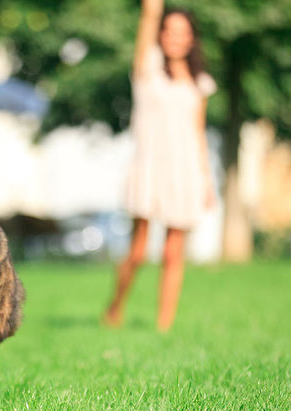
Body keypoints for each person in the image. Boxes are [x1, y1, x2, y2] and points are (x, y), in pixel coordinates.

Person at [104, 0, 217, 332]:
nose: (175, 38)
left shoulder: (201, 82)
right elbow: (150, 17)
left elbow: (198, 133)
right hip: (151, 168)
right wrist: (152, 10)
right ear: (161, 35)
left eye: (182, 33)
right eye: (169, 31)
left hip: (185, 173)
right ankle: (115, 307)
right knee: (138, 251)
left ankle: (164, 325)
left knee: (172, 252)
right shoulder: (147, 68)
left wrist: (206, 180)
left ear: (192, 38)